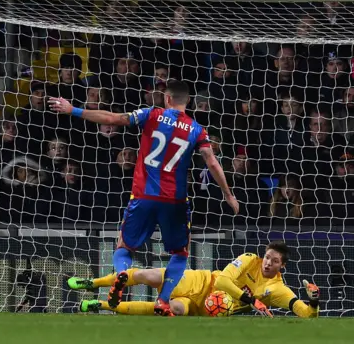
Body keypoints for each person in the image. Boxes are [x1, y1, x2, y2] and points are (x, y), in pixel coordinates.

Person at [48, 79, 238, 316]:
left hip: (143, 196)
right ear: (188, 102)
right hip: (175, 201)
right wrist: (228, 194)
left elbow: (113, 119)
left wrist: (73, 110)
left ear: (167, 98)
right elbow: (211, 161)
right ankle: (163, 300)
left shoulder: (152, 114)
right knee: (179, 253)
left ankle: (122, 275)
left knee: (124, 247)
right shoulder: (197, 129)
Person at [69, 241, 319, 318]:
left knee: (170, 309)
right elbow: (222, 283)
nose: (267, 262)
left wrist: (314, 302)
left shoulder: (277, 288)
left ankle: (101, 306)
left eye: (274, 261)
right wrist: (250, 299)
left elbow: (305, 313)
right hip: (200, 282)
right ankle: (93, 283)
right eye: (267, 257)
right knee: (148, 275)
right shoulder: (249, 258)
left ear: (282, 266)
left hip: (206, 307)